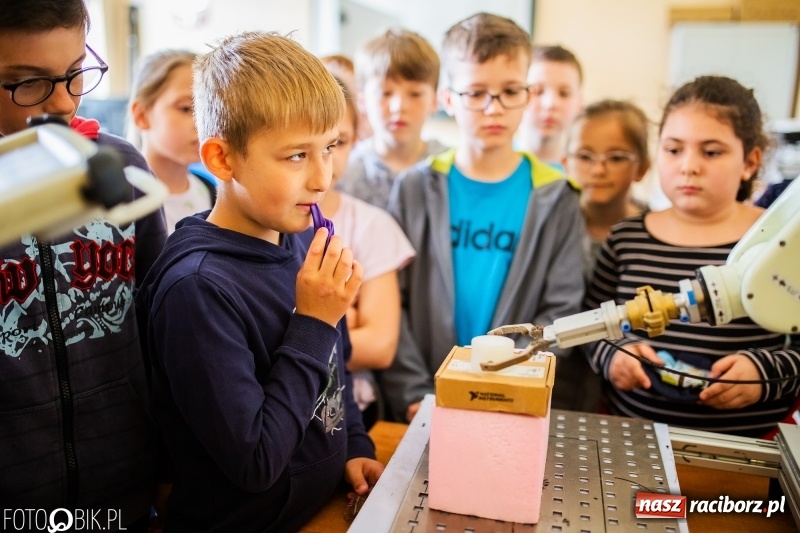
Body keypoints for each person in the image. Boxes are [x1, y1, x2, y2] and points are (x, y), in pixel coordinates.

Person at [136, 31, 383, 532]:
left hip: (319, 509)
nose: (322, 178)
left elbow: (333, 365)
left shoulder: (296, 233)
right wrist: (313, 320)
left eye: (330, 147)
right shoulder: (197, 289)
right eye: (296, 156)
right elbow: (255, 462)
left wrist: (353, 445)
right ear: (223, 160)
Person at [0, 0, 166, 528]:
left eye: (75, 74)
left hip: (124, 482)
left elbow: (156, 323)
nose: (62, 103)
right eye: (27, 83)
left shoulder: (120, 168)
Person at [380, 13, 586, 423]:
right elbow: (392, 302)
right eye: (476, 92)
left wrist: (507, 389)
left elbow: (560, 312)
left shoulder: (557, 196)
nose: (494, 109)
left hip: (513, 402)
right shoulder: (415, 188)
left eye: (509, 91)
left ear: (527, 94)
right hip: (422, 399)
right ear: (449, 99)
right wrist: (413, 391)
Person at [584, 75, 800, 438]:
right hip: (631, 442)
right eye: (673, 149)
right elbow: (592, 325)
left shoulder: (780, 246)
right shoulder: (626, 238)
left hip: (748, 455)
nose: (689, 166)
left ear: (750, 161)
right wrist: (613, 355)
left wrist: (765, 373)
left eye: (711, 151)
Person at [319, 77, 415, 428]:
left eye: (337, 143)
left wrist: (295, 333)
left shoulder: (372, 224)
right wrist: (347, 317)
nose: (322, 160)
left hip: (352, 413)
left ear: (355, 143)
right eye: (303, 147)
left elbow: (380, 345)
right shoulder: (265, 225)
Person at [338, 28, 446, 209]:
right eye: (385, 93)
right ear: (363, 100)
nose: (398, 107)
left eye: (415, 94)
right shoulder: (345, 172)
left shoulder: (448, 168)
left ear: (434, 101)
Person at [128, 49, 217, 234]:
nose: (203, 125)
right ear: (141, 115)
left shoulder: (210, 192)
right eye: (185, 108)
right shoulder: (123, 197)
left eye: (209, 111)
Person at [563, 99, 650, 278]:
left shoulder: (655, 233)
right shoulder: (553, 228)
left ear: (641, 168)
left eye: (616, 158)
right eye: (585, 157)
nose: (598, 170)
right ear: (566, 164)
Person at [519, 45, 583, 172]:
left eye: (564, 93)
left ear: (580, 103)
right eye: (538, 91)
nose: (550, 104)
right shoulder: (492, 161)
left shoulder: (583, 174)